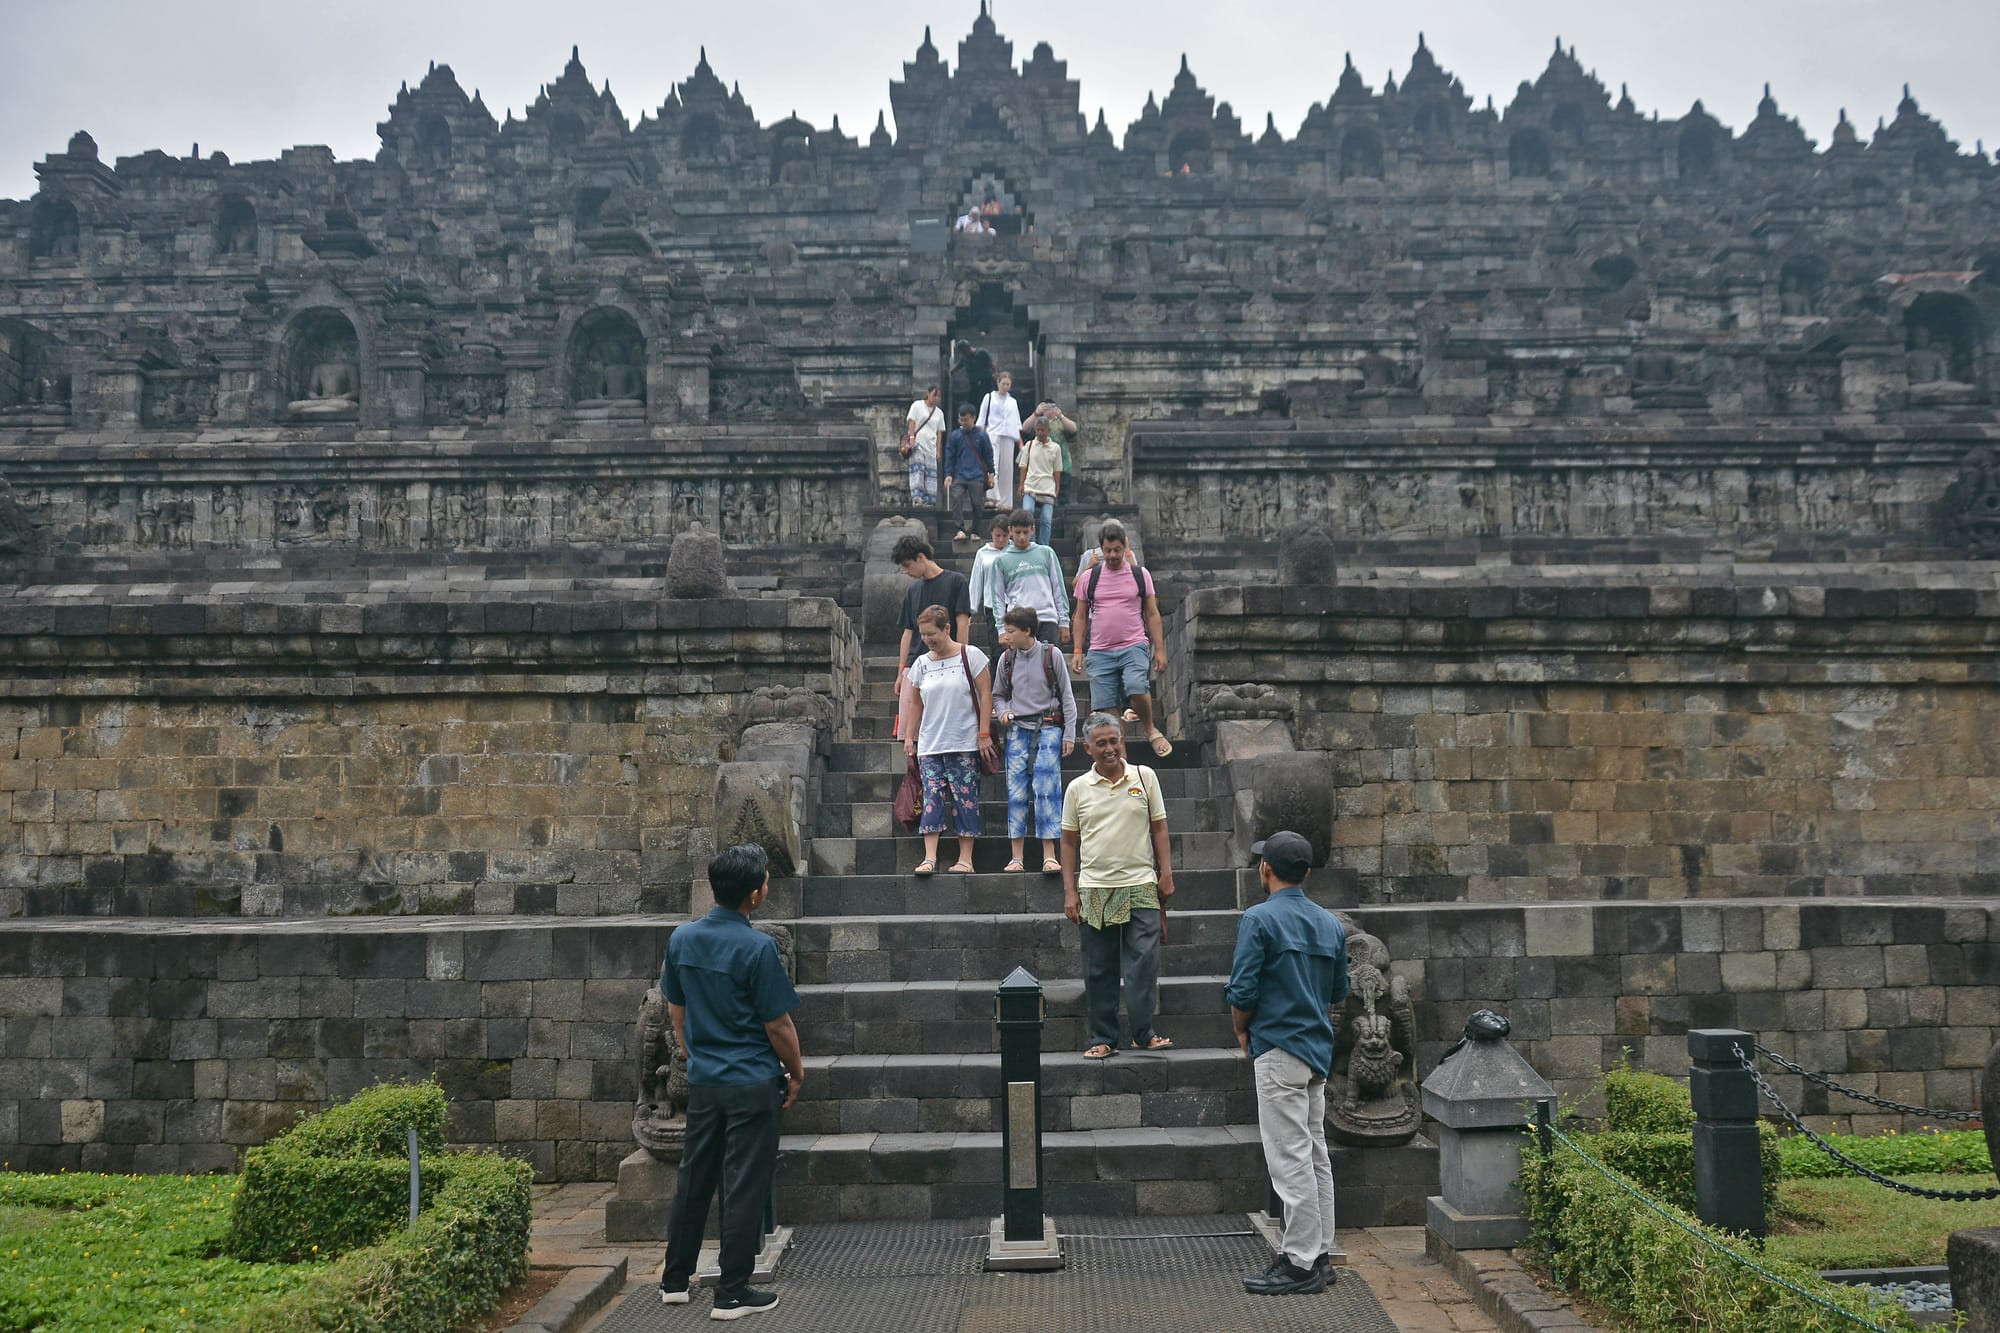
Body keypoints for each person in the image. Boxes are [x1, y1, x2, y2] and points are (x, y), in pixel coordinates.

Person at [657, 843, 804, 1320]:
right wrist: (798, 1072)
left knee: (694, 1177)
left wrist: (694, 1052)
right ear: (755, 895)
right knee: (742, 1183)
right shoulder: (758, 947)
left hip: (705, 1079)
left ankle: (675, 1279)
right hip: (751, 1079)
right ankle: (732, 1291)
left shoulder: (682, 939)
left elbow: (676, 1010)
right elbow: (777, 1026)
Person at [1226, 831, 1348, 1298]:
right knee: (1314, 1153)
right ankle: (1318, 1253)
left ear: (1265, 869)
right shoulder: (1331, 924)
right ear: (1308, 873)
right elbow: (1339, 991)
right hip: (1316, 1051)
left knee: (1290, 1157)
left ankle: (1299, 1261)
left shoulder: (1258, 919)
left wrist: (1241, 1030)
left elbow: (1243, 990)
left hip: (1277, 1046)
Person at [1060, 711, 1175, 1060]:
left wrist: (1165, 872)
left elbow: (1159, 828)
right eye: (1101, 743)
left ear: (1122, 740)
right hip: (1095, 887)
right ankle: (1104, 1037)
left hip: (1141, 883)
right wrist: (1070, 890)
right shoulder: (1078, 788)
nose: (1110, 749)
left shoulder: (1145, 776)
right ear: (1088, 748)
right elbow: (1067, 842)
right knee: (1099, 967)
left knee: (1144, 963)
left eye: (1115, 740)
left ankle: (1143, 1033)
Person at [901, 605, 997, 875]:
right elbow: (916, 703)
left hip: (964, 741)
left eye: (932, 633)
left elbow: (986, 695)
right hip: (931, 743)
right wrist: (910, 736)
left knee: (965, 799)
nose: (928, 640)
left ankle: (965, 858)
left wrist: (984, 733)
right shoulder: (921, 663)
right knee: (932, 798)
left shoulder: (971, 655)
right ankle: (930, 857)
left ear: (947, 629)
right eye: (923, 635)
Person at [1070, 519, 1173, 757]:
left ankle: (1150, 729)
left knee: (1137, 687)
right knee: (1107, 705)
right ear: (1101, 550)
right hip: (1100, 649)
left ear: (1125, 546)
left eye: (1117, 550)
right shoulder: (1090, 577)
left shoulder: (1140, 575)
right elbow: (1080, 616)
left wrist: (1160, 649)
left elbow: (1152, 613)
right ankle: (1121, 751)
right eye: (1108, 551)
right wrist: (1077, 650)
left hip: (1133, 644)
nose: (1113, 555)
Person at [993, 607, 1076, 874]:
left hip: (1049, 726)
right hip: (1017, 728)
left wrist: (1071, 734)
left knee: (1047, 789)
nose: (1007, 636)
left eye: (1011, 631)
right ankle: (1016, 856)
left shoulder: (1051, 655)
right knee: (1016, 791)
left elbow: (1067, 697)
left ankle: (1049, 855)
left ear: (1027, 631)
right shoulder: (1006, 659)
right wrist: (1004, 711)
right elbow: (998, 694)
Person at [891, 534, 971, 691]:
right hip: (915, 664)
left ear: (920, 557)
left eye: (907, 565)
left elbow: (962, 622)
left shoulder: (956, 581)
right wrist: (901, 672)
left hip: (948, 660)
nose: (905, 571)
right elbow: (908, 632)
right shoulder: (912, 590)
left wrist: (962, 660)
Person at [992, 508, 1069, 647]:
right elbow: (997, 598)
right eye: (1017, 532)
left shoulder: (1046, 553)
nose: (1022, 537)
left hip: (1047, 619)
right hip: (1018, 622)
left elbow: (1058, 589)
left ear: (1032, 530)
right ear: (1010, 531)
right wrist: (1001, 629)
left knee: (1048, 665)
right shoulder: (1001, 560)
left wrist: (1064, 622)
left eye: (1025, 532)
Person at [941, 404, 995, 541]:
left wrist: (991, 473)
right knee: (957, 498)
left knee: (977, 504)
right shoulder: (955, 436)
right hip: (959, 474)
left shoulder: (982, 435)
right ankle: (960, 529)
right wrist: (948, 474)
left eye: (966, 420)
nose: (963, 423)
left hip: (976, 475)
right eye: (961, 420)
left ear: (973, 418)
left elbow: (988, 455)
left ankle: (975, 531)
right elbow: (950, 456)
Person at [977, 371, 1024, 511]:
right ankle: (992, 497)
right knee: (993, 466)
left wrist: (1020, 443)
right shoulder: (989, 397)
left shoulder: (1013, 402)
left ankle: (1005, 502)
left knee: (1007, 469)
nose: (1005, 386)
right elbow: (982, 419)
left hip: (1008, 435)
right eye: (1003, 384)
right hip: (992, 434)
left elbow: (1016, 423)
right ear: (998, 383)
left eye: (1008, 384)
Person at [966, 512, 1012, 650]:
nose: (1001, 539)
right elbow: (976, 581)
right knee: (995, 645)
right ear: (991, 533)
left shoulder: (1015, 551)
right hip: (991, 604)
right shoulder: (983, 553)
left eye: (1005, 535)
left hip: (1013, 602)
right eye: (998, 535)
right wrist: (970, 609)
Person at [1015, 417, 1063, 546]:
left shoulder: (1055, 448)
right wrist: (1021, 484)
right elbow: (1023, 466)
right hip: (1031, 485)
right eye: (1038, 430)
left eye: (1042, 430)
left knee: (1046, 520)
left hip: (1047, 487)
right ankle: (1032, 543)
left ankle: (1044, 546)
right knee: (1028, 512)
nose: (1040, 433)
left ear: (1048, 430)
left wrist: (1057, 487)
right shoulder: (1029, 445)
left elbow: (1057, 469)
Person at [1026, 401, 1078, 505]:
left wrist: (1061, 416)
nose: (1048, 410)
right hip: (1042, 468)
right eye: (1046, 407)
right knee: (1042, 497)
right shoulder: (1038, 423)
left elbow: (1073, 429)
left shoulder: (1060, 422)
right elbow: (1025, 429)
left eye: (1051, 407)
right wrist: (1036, 413)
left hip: (1063, 465)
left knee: (1063, 497)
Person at [902, 386, 946, 507]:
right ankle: (917, 498)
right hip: (918, 444)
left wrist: (938, 450)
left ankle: (929, 501)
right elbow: (912, 422)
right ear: (928, 394)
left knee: (930, 474)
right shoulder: (917, 405)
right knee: (918, 470)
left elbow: (939, 433)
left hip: (931, 446)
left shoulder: (939, 413)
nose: (935, 399)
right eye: (934, 395)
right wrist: (912, 438)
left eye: (938, 396)